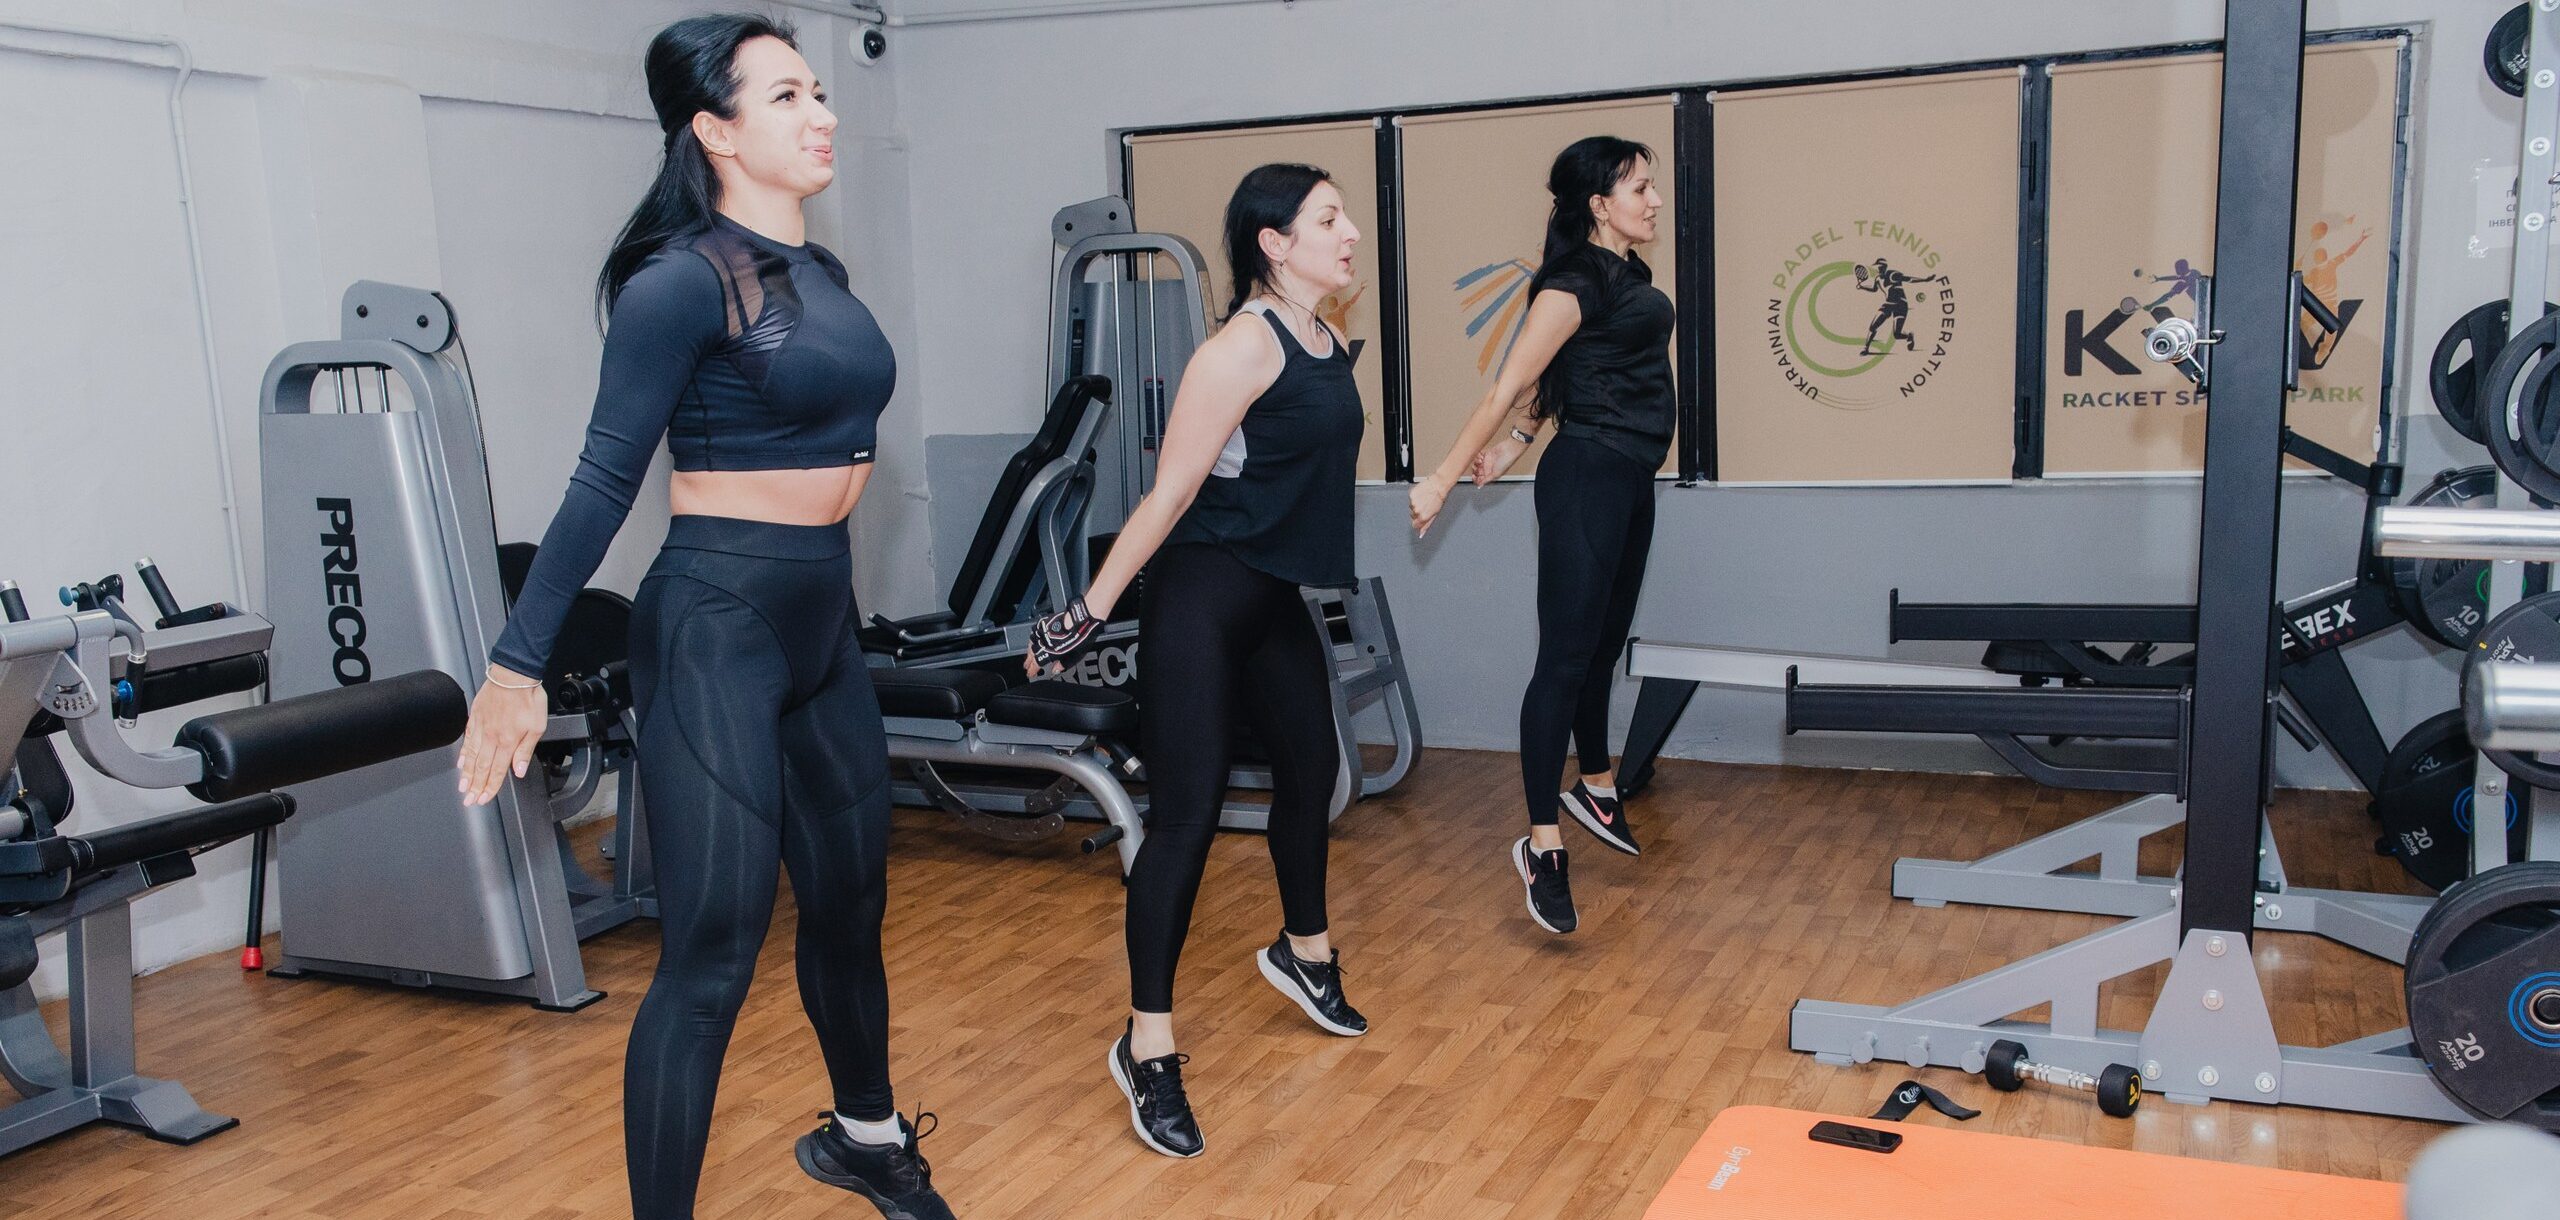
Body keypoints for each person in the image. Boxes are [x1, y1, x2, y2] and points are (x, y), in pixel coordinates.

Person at [450, 15, 951, 1220]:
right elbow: (601, 479)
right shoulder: (677, 284)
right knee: (714, 954)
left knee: (850, 906)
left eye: (817, 90)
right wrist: (516, 666)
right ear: (715, 132)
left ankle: (866, 1137)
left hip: (821, 616)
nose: (821, 114)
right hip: (718, 622)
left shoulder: (823, 275)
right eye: (786, 97)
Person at [1025, 163, 1369, 1159]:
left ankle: (1304, 953)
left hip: (1271, 596)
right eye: (1328, 219)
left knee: (1313, 771)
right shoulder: (1238, 349)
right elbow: (1169, 493)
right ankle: (1147, 1045)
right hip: (1202, 601)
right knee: (1185, 820)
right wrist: (1085, 614)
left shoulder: (1321, 337)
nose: (1349, 231)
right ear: (1274, 242)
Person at [1407, 135, 1672, 936]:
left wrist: (1518, 445)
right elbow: (1509, 383)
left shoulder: (1628, 275)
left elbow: (1563, 379)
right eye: (1639, 188)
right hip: (1587, 478)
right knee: (1563, 659)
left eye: (1653, 187)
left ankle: (1595, 783)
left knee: (1601, 647)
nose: (1654, 200)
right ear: (1599, 204)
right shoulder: (1575, 280)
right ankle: (1542, 844)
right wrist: (1443, 476)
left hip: (1627, 476)